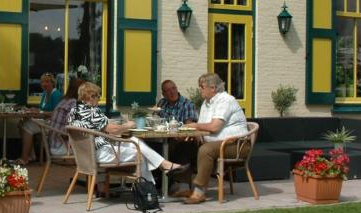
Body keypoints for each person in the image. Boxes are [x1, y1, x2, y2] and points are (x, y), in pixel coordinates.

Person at [67, 82, 185, 191]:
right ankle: (147, 191)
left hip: (85, 155)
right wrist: (127, 126)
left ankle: (159, 174)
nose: (98, 99)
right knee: (140, 152)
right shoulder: (92, 111)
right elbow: (114, 130)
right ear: (90, 96)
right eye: (98, 96)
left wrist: (114, 125)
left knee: (133, 141)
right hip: (102, 153)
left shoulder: (74, 110)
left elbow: (101, 126)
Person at [178, 72, 249, 205]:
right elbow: (202, 127)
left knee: (206, 150)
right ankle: (185, 186)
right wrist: (192, 134)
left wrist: (194, 126)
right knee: (184, 145)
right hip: (218, 142)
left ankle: (199, 193)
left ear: (213, 88)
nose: (200, 90)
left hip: (237, 144)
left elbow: (214, 127)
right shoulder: (207, 103)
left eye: (202, 87)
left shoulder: (226, 100)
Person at [18, 72, 64, 164]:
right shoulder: (45, 94)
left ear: (52, 83)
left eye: (47, 82)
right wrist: (34, 110)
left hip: (53, 124)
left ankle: (25, 158)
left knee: (27, 125)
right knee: (21, 123)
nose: (44, 84)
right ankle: (31, 155)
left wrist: (40, 112)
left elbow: (56, 113)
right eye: (42, 82)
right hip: (45, 121)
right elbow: (43, 109)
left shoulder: (56, 94)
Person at [45, 77, 83, 156]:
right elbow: (72, 127)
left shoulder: (64, 100)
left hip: (53, 144)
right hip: (60, 146)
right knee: (92, 147)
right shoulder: (73, 102)